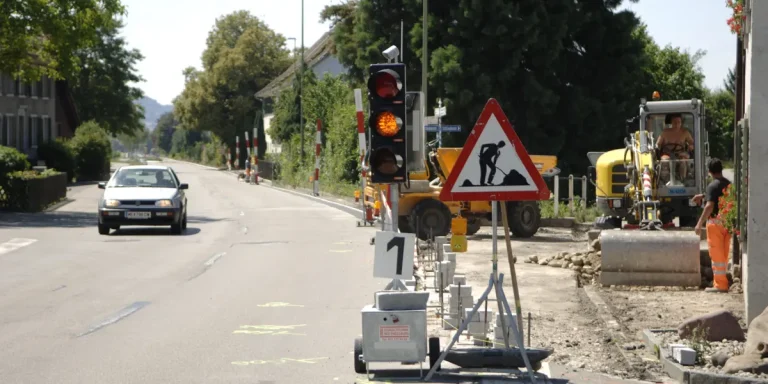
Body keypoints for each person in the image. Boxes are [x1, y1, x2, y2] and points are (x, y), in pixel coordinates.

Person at [693, 158, 731, 293]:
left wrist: (699, 223)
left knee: (716, 256)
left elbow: (710, 205)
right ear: (721, 169)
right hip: (727, 223)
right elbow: (719, 194)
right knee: (724, 254)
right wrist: (704, 195)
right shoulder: (728, 184)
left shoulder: (712, 186)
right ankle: (723, 282)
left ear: (709, 172)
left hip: (715, 225)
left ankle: (720, 285)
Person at [656, 114, 694, 181]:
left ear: (681, 123)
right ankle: (665, 181)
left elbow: (692, 143)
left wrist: (691, 146)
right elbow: (658, 144)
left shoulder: (685, 133)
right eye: (675, 122)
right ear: (671, 123)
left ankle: (683, 180)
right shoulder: (665, 132)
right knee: (665, 161)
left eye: (679, 122)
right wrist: (658, 148)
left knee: (683, 161)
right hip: (667, 153)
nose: (677, 124)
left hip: (680, 154)